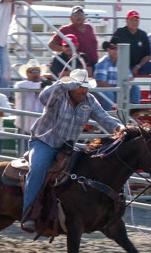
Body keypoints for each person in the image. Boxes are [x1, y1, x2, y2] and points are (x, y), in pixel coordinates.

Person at [20, 68, 123, 232]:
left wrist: (119, 128)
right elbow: (43, 97)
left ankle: (74, 212)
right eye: (80, 86)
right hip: (44, 142)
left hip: (67, 148)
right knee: (38, 168)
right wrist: (63, 85)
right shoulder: (59, 95)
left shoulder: (90, 101)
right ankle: (28, 214)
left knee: (85, 171)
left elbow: (104, 118)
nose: (84, 90)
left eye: (86, 87)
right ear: (71, 86)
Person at [111, 10, 151, 100]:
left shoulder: (142, 34)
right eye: (132, 20)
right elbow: (112, 49)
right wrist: (124, 66)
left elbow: (147, 55)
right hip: (123, 66)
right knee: (127, 81)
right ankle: (131, 98)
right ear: (127, 21)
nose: (134, 22)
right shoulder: (120, 33)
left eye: (136, 20)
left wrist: (138, 66)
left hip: (140, 65)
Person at [48, 6, 98, 73]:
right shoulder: (65, 29)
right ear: (71, 17)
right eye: (75, 14)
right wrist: (66, 48)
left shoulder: (89, 28)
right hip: (77, 64)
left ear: (84, 16)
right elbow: (51, 45)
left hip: (93, 64)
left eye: (81, 14)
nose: (79, 16)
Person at [14, 60, 51, 152]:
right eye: (32, 71)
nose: (35, 74)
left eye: (37, 71)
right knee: (23, 155)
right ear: (26, 74)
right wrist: (44, 85)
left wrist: (45, 85)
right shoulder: (20, 85)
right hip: (24, 129)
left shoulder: (45, 88)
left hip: (40, 130)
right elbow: (33, 85)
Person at [93, 40, 141, 111]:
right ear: (108, 49)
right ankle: (106, 116)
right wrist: (117, 89)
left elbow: (130, 78)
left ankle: (133, 114)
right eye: (112, 48)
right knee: (109, 94)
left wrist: (124, 89)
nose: (115, 51)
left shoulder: (123, 62)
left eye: (118, 48)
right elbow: (101, 83)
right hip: (102, 91)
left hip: (119, 91)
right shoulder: (102, 62)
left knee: (135, 88)